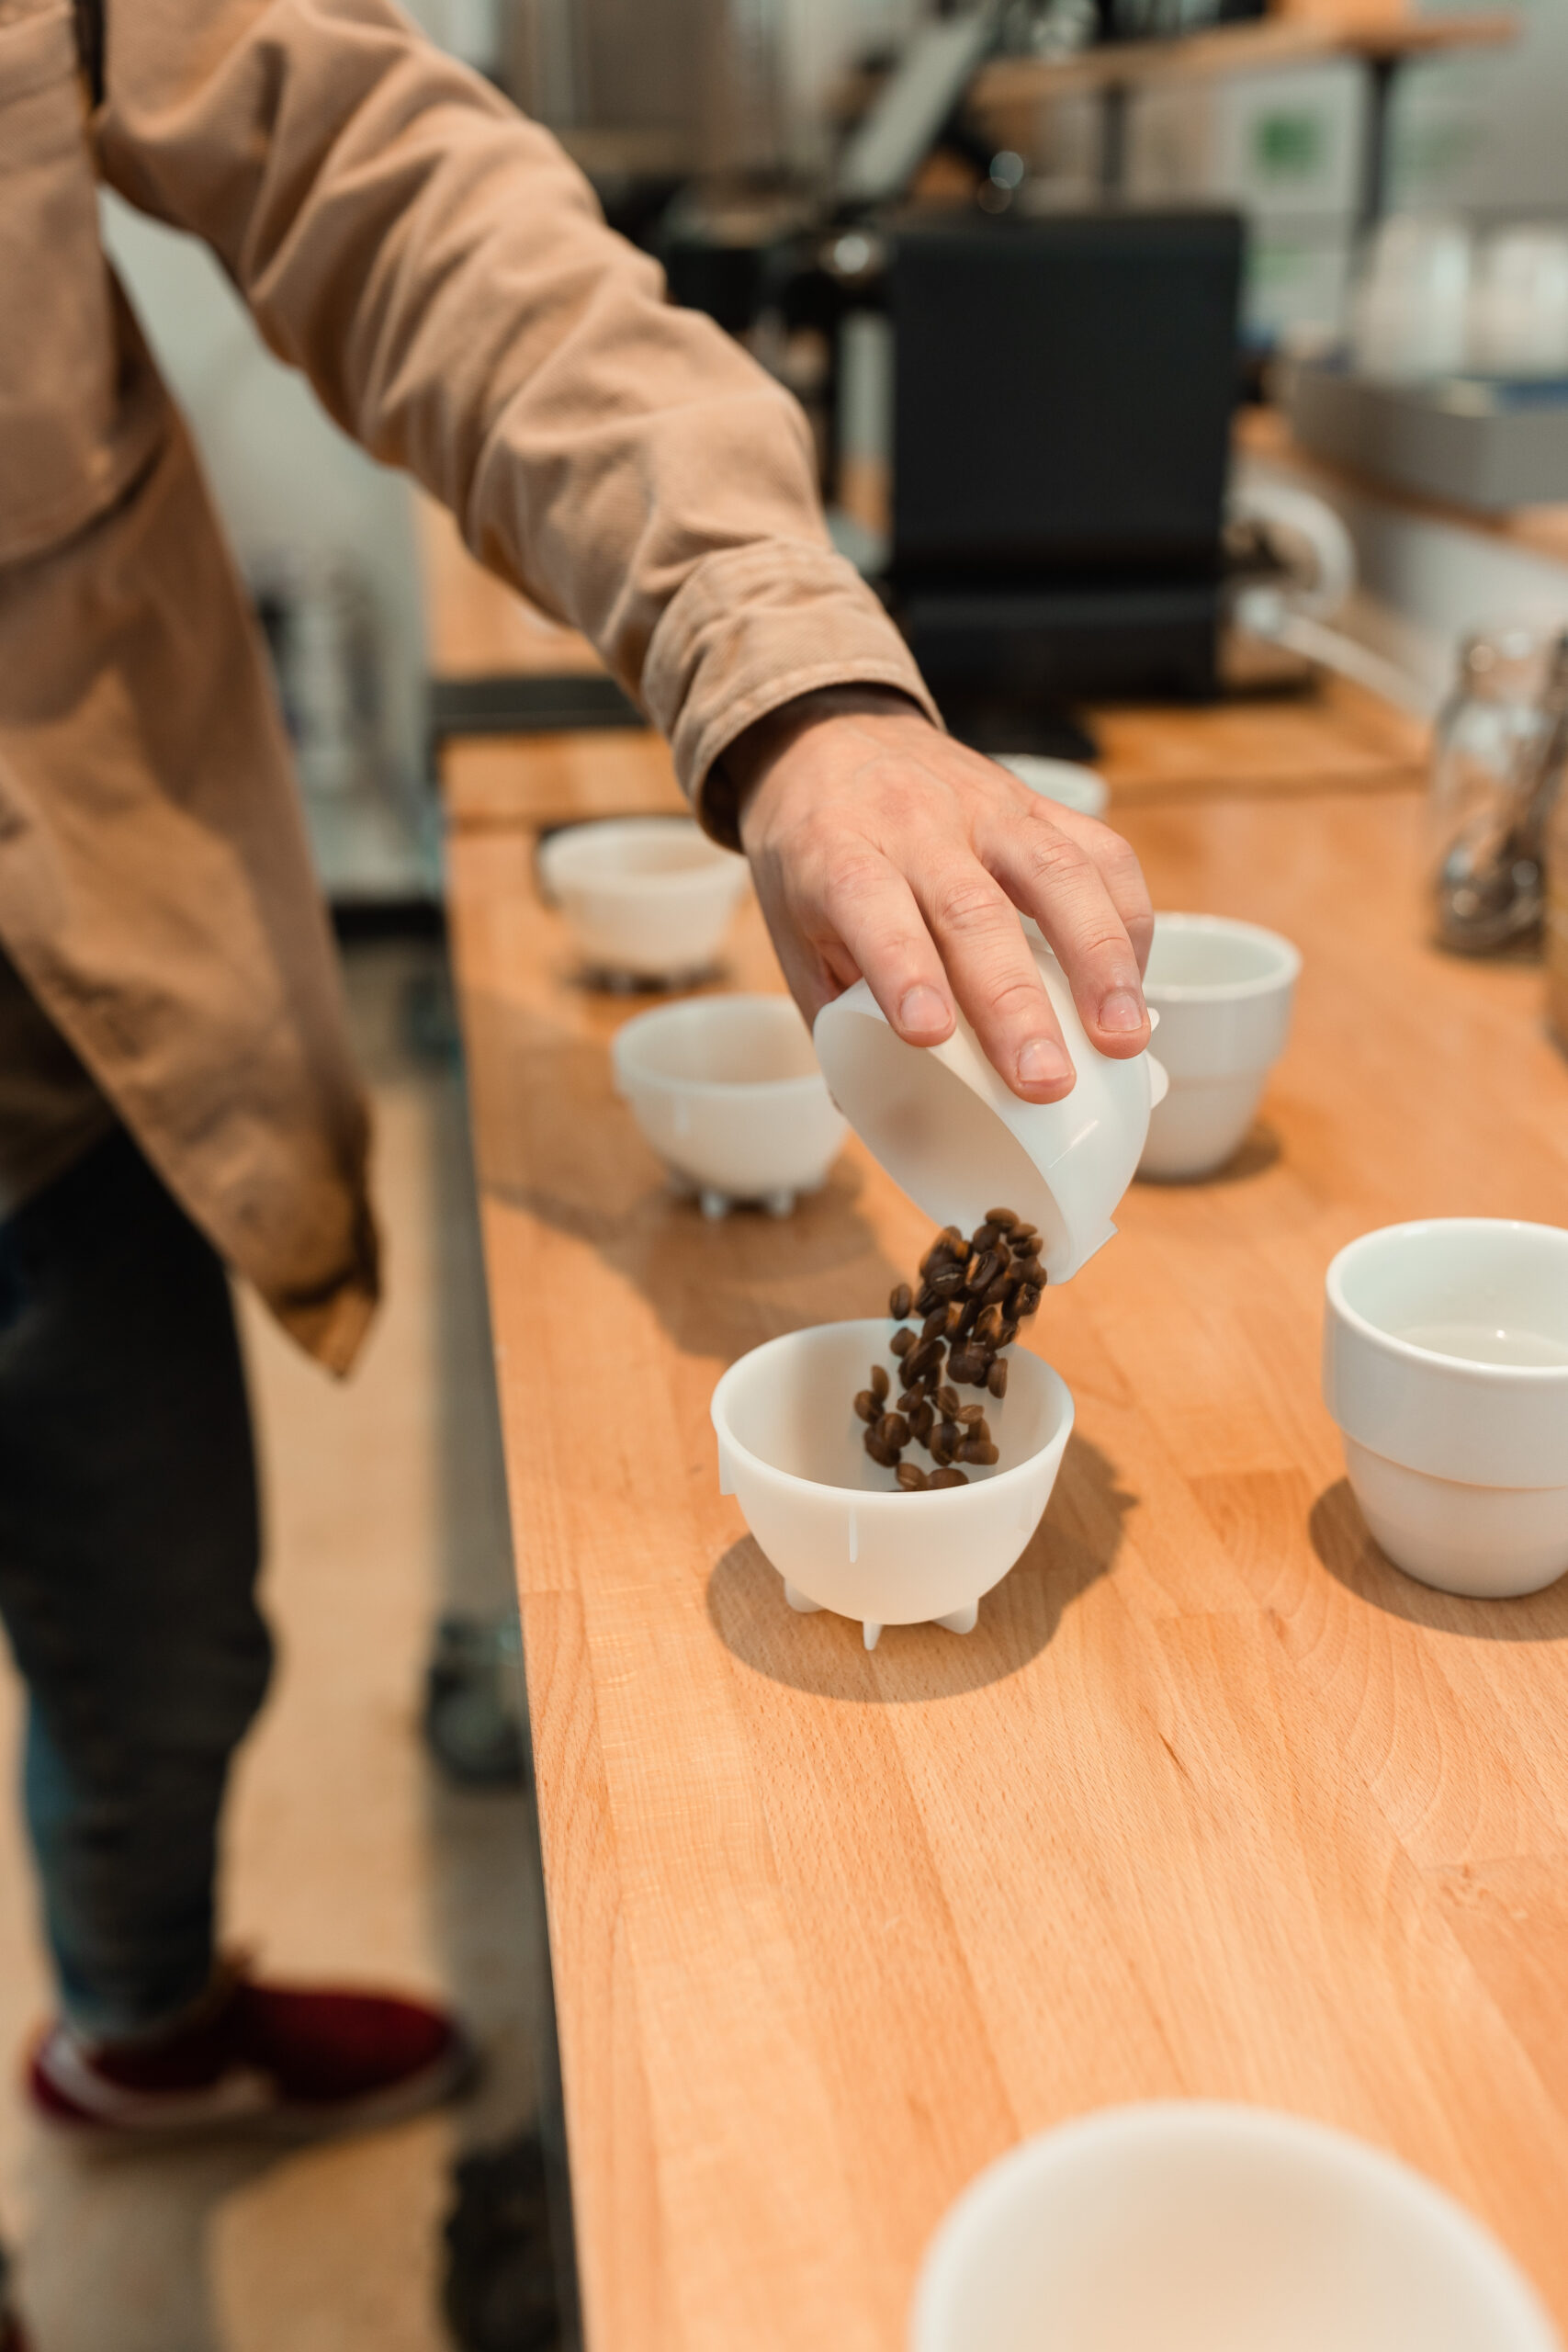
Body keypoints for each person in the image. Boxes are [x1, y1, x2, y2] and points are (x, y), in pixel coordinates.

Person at [0, 0, 1153, 2158]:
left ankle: (140, 2022)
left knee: (160, 1644)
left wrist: (790, 683)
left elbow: (404, 194)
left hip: (61, 1032)